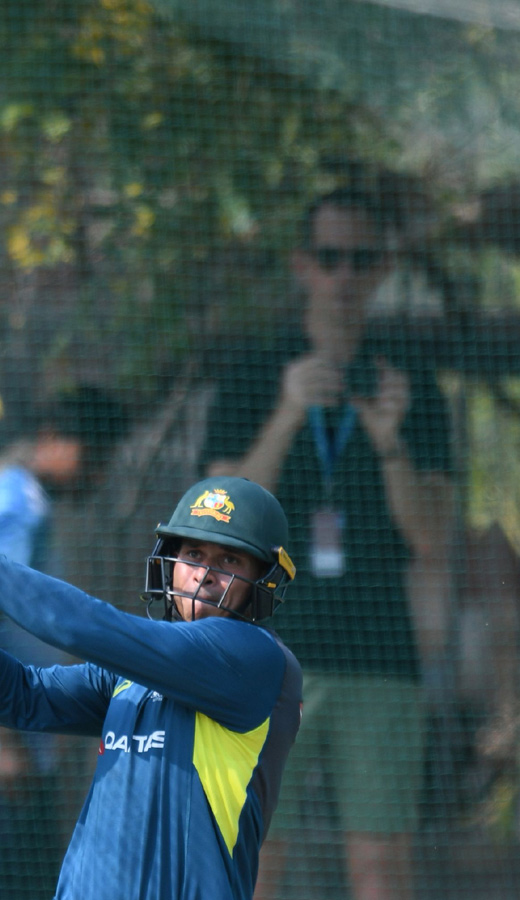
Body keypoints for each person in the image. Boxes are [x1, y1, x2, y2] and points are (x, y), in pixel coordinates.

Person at [0, 473, 303, 899]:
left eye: (229, 560)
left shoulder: (256, 659)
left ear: (263, 580)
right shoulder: (135, 673)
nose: (205, 574)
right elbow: (16, 698)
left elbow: (79, 625)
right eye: (194, 555)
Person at [202, 186, 455, 900]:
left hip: (379, 656)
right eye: (329, 257)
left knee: (379, 871)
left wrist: (389, 444)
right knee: (250, 861)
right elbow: (219, 523)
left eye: (361, 259)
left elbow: (433, 536)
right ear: (302, 266)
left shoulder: (412, 387)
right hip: (261, 653)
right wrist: (287, 414)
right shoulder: (255, 372)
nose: (345, 275)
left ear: (382, 270)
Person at [0, 385, 125, 900]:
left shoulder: (22, 500)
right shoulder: (17, 505)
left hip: (10, 731)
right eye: (94, 455)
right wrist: (5, 740)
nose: (99, 474)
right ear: (52, 438)